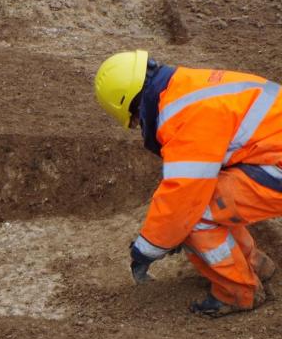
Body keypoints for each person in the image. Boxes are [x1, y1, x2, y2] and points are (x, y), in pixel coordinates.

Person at [94, 50, 281, 317]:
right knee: (209, 199)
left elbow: (182, 199)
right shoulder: (188, 87)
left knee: (195, 217)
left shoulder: (181, 117)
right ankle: (256, 264)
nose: (138, 125)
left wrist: (146, 249)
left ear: (134, 104)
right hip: (272, 157)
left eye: (134, 121)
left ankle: (237, 292)